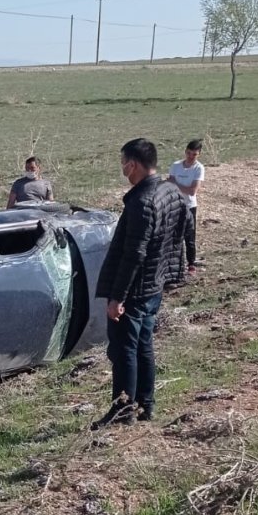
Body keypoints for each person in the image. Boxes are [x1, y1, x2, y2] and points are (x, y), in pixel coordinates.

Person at [92, 138, 186, 430]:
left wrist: (117, 297)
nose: (122, 168)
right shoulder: (171, 190)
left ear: (132, 164)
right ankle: (147, 404)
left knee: (124, 351)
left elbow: (134, 254)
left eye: (123, 163)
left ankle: (123, 411)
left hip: (134, 289)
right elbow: (183, 233)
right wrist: (178, 271)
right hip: (154, 285)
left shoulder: (141, 202)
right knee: (144, 345)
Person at [168, 139, 206, 274]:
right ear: (185, 152)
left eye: (194, 154)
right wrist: (179, 186)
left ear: (199, 154)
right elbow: (169, 184)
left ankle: (191, 263)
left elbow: (192, 191)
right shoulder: (175, 165)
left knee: (189, 236)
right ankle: (175, 264)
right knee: (174, 235)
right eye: (189, 153)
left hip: (189, 206)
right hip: (174, 204)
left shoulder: (199, 168)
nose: (190, 157)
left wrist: (175, 184)